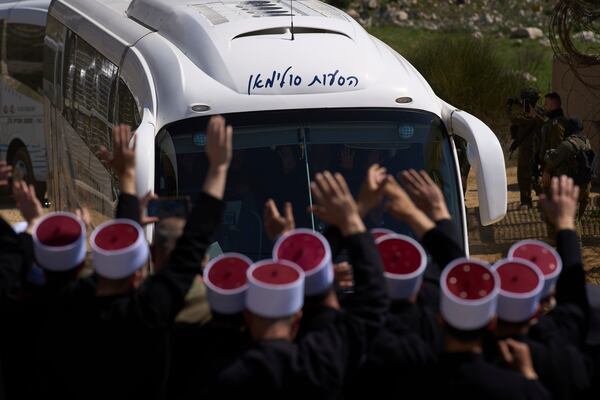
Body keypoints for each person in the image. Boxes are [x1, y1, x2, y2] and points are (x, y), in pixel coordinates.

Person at [38, 115, 231, 400]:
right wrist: (219, 167)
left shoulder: (68, 305)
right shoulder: (148, 311)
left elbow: (189, 246)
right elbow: (189, 251)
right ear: (140, 270)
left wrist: (217, 169)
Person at [543, 118, 593, 220]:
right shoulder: (586, 142)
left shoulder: (567, 145)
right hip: (585, 187)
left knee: (570, 221)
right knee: (575, 219)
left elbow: (552, 161)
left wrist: (548, 154)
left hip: (572, 187)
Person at [508, 88, 543, 208]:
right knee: (532, 174)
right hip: (532, 148)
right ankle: (537, 198)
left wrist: (511, 107)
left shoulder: (532, 115)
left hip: (530, 149)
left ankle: (527, 201)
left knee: (526, 176)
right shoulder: (536, 112)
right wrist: (518, 103)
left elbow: (513, 118)